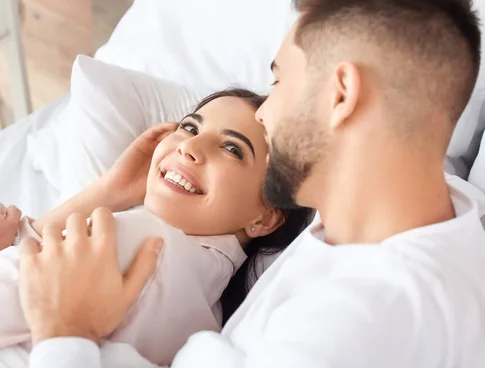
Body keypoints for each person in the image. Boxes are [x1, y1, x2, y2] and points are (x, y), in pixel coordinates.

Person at [19, 0, 485, 366]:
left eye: (279, 84)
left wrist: (65, 334)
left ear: (341, 95)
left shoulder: (362, 324)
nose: (263, 112)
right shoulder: (394, 212)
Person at [0, 90, 312, 365]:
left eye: (232, 149)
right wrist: (109, 191)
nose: (188, 147)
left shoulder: (142, 240)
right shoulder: (208, 321)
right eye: (189, 127)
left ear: (266, 217)